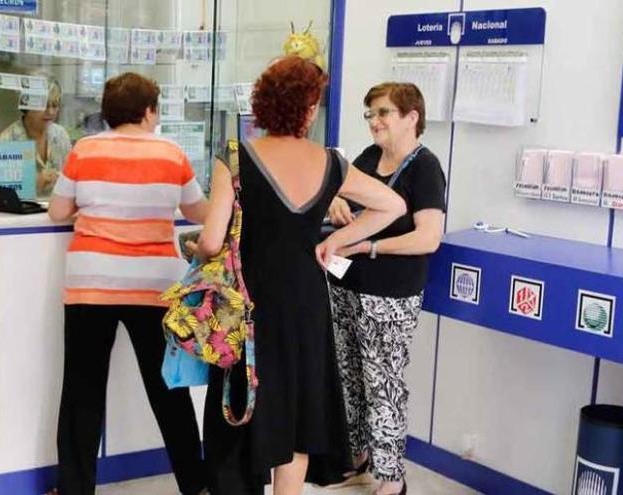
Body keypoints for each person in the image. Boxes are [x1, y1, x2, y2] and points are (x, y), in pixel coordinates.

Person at [191, 56, 406, 495]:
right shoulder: (331, 162)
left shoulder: (234, 157)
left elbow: (212, 241)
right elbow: (392, 206)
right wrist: (337, 243)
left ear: (264, 103)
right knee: (298, 416)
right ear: (308, 109)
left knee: (241, 408)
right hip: (306, 302)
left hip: (248, 304)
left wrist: (196, 249)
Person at [47, 72, 209, 495]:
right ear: (148, 110)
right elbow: (198, 213)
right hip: (153, 285)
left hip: (90, 283)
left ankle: (75, 488)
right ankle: (195, 483)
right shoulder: (172, 154)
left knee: (82, 390)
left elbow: (57, 211)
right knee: (167, 389)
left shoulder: (85, 149)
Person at [327, 82, 446, 495]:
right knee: (349, 376)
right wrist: (335, 203)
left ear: (412, 117)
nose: (374, 122)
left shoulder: (425, 168)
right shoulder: (367, 158)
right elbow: (338, 193)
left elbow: (428, 238)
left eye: (383, 114)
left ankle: (392, 479)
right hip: (347, 283)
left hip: (391, 295)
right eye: (370, 114)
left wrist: (371, 246)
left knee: (384, 384)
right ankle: (358, 460)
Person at [0, 77, 71, 198]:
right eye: (44, 105)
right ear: (27, 105)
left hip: (57, 212)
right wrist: (35, 184)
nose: (51, 112)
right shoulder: (8, 139)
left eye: (55, 105)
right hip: (20, 215)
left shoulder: (61, 135)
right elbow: (2, 197)